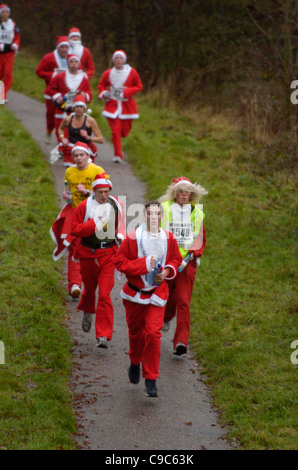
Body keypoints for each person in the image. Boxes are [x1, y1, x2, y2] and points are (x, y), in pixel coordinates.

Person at [115, 201, 182, 397]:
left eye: (157, 214)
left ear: (162, 216)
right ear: (144, 216)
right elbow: (120, 262)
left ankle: (151, 378)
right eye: (150, 214)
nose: (154, 217)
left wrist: (167, 271)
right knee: (136, 334)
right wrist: (143, 265)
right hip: (135, 295)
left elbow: (176, 260)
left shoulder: (169, 238)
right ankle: (135, 361)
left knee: (153, 333)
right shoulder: (133, 238)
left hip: (157, 294)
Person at [70, 172, 125, 348]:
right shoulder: (85, 206)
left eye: (106, 191)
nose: (103, 195)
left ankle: (103, 335)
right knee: (89, 290)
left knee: (104, 294)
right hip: (88, 253)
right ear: (93, 191)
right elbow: (75, 230)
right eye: (100, 192)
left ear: (110, 191)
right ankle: (87, 310)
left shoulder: (115, 204)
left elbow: (120, 225)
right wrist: (94, 223)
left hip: (108, 254)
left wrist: (121, 237)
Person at [50, 141, 105, 299]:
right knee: (74, 248)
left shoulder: (98, 170)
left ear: (88, 156)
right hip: (75, 213)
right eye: (76, 155)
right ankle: (74, 284)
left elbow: (105, 195)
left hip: (94, 213)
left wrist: (88, 192)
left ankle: (90, 282)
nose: (79, 158)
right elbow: (67, 191)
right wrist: (67, 197)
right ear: (72, 157)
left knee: (93, 250)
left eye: (82, 155)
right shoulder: (70, 172)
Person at [160, 176, 208, 356]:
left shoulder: (197, 213)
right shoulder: (164, 209)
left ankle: (181, 341)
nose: (183, 194)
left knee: (183, 301)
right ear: (174, 193)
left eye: (187, 191)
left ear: (192, 193)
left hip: (186, 264)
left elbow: (200, 238)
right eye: (180, 191)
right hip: (166, 262)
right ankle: (164, 318)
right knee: (166, 298)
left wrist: (195, 253)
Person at [97, 50, 142, 163]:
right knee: (115, 131)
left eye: (120, 58)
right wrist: (103, 93)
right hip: (112, 106)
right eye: (116, 58)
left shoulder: (132, 72)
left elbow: (138, 86)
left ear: (124, 60)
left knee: (125, 132)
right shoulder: (108, 73)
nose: (118, 60)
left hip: (127, 106)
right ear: (113, 60)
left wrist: (126, 93)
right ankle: (118, 154)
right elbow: (102, 85)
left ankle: (120, 142)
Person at [45, 54, 92, 143]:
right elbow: (49, 89)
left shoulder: (84, 79)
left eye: (76, 62)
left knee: (76, 134)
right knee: (60, 131)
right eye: (71, 61)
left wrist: (84, 95)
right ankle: (61, 149)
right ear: (68, 63)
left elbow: (89, 94)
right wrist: (57, 97)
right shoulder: (60, 76)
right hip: (62, 110)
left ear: (79, 64)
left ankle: (73, 152)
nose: (73, 64)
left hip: (77, 113)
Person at [35, 36, 70, 144]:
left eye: (66, 47)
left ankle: (62, 143)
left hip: (66, 96)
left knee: (64, 119)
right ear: (58, 47)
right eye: (62, 47)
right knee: (51, 117)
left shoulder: (72, 59)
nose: (64, 50)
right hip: (51, 94)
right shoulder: (49, 58)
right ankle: (49, 130)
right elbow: (39, 71)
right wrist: (53, 75)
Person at [58, 94, 104, 166]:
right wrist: (62, 138)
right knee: (72, 173)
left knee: (85, 172)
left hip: (85, 150)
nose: (79, 109)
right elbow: (60, 129)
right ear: (73, 108)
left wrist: (88, 137)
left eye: (81, 107)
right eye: (77, 106)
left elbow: (101, 139)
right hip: (72, 149)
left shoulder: (90, 121)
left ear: (84, 108)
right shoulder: (68, 119)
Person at [0, 4, 20, 102]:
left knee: (7, 73)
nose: (5, 14)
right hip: (0, 53)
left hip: (9, 54)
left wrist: (15, 45)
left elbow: (17, 37)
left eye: (7, 12)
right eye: (3, 12)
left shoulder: (13, 25)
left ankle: (2, 96)